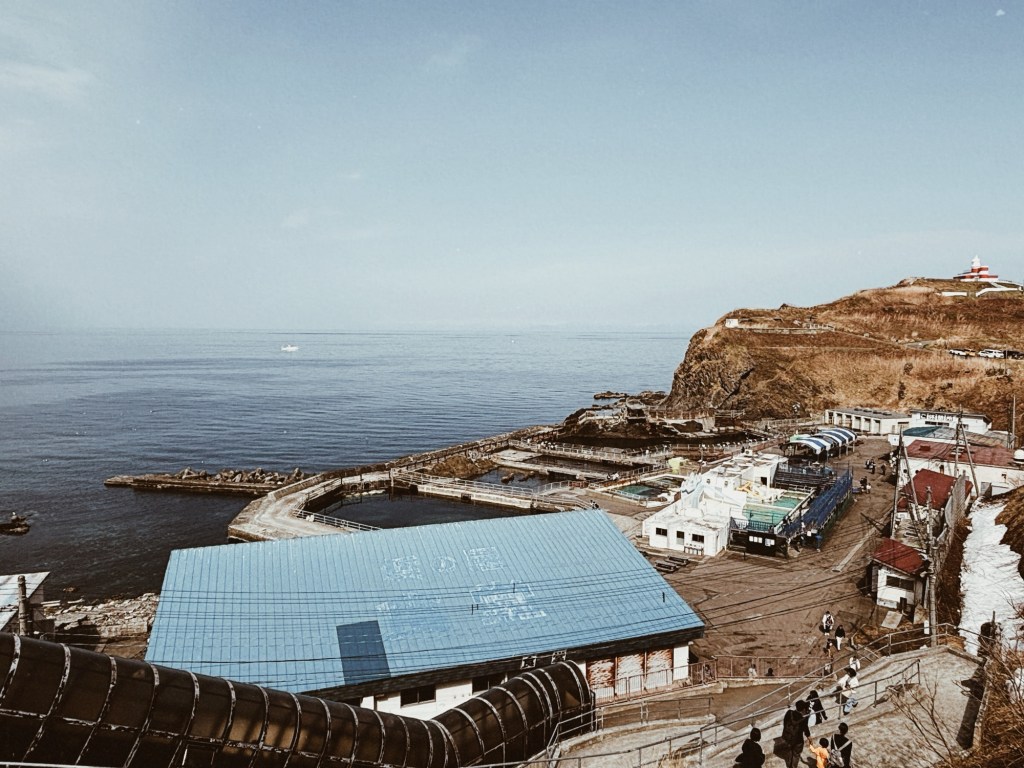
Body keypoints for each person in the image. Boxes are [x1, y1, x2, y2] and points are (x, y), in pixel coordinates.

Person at [780, 699, 811, 768]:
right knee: (796, 755)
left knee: (789, 752)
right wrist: (809, 737)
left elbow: (785, 723)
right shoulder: (803, 719)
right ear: (803, 709)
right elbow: (805, 729)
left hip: (787, 737)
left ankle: (789, 764)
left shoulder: (789, 713)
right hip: (798, 741)